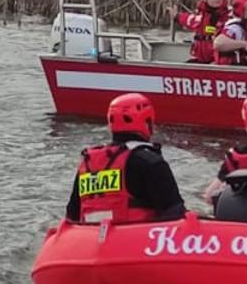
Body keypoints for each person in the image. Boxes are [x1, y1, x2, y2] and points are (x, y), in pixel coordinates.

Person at [66, 93, 187, 224]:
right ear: (147, 122)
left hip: (92, 238)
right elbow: (175, 215)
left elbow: (72, 216)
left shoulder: (88, 163)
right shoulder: (150, 162)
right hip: (138, 239)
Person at [172, 0, 232, 64]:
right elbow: (190, 20)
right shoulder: (202, 14)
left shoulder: (228, 16)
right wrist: (177, 16)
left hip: (218, 61)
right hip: (201, 59)